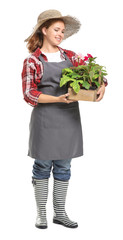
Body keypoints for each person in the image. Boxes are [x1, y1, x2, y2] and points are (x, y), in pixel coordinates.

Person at [22, 9, 107, 229]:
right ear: (44, 29)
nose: (60, 34)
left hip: (68, 119)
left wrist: (101, 85)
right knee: (42, 166)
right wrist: (57, 99)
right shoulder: (33, 60)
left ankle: (59, 213)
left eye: (62, 31)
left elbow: (97, 75)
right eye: (56, 30)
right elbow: (29, 94)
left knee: (64, 166)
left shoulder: (70, 56)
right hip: (45, 119)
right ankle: (41, 214)